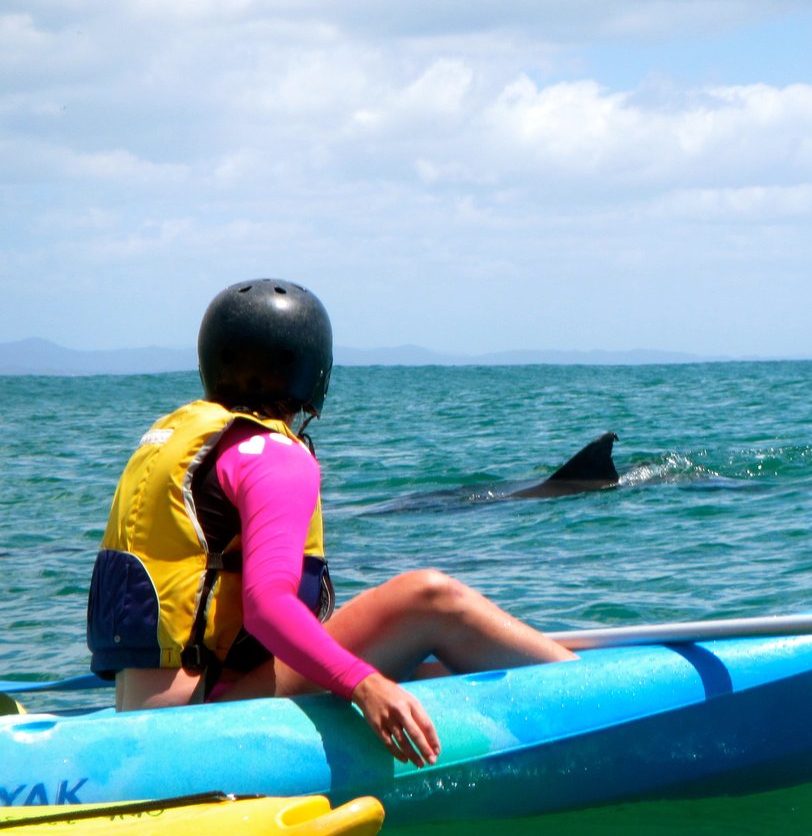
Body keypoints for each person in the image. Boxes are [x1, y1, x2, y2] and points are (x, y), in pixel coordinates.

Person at [86, 278, 575, 767]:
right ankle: (590, 690)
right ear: (312, 368)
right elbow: (267, 607)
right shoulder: (272, 455)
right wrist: (365, 686)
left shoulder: (177, 442)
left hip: (144, 710)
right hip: (205, 718)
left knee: (426, 670)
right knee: (428, 600)